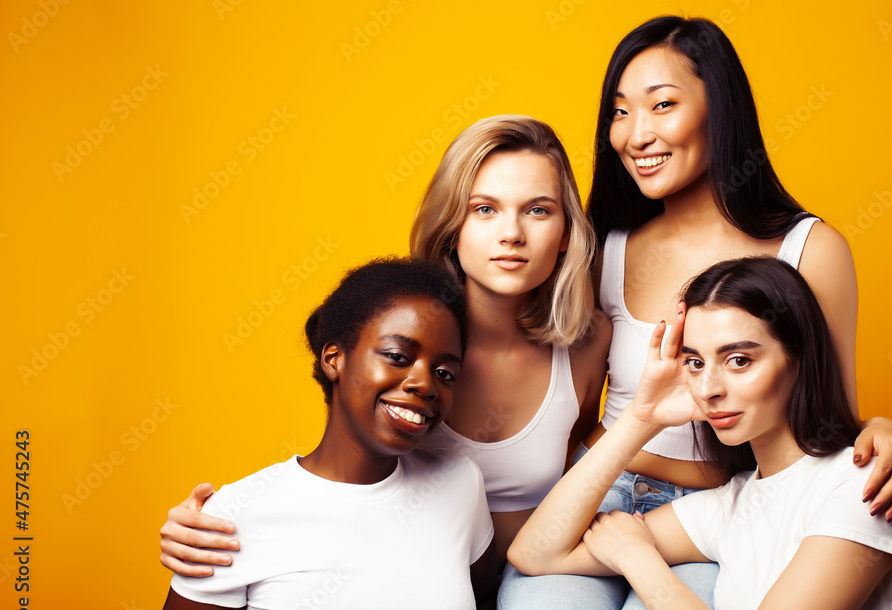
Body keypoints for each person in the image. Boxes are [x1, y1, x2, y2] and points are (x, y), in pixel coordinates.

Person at [496, 15, 892, 610]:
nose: (636, 134)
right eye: (619, 112)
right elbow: (569, 409)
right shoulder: (604, 249)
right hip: (603, 490)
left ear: (718, 110)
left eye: (662, 105)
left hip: (717, 504)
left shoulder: (807, 249)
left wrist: (885, 431)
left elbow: (827, 418)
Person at [157, 117, 608, 574]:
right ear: (452, 225)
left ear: (567, 233)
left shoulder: (588, 343)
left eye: (538, 210)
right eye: (484, 209)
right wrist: (224, 516)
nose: (512, 233)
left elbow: (581, 473)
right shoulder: (397, 332)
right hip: (409, 577)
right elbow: (335, 470)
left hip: (538, 576)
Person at [508, 256, 892, 610]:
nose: (708, 387)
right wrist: (641, 417)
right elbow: (537, 553)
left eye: (739, 360)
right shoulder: (732, 504)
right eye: (695, 362)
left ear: (799, 358)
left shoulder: (864, 483)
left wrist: (637, 558)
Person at [145, 258, 499, 610]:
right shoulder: (232, 519)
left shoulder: (458, 482)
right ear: (335, 359)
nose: (425, 383)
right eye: (398, 356)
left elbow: (485, 593)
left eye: (445, 373)